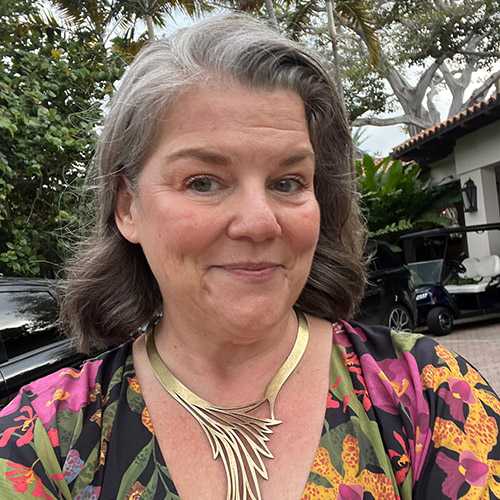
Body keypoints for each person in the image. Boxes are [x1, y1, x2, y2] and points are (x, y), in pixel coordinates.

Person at [0, 14, 499, 500]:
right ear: (127, 207)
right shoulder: (44, 441)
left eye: (288, 182)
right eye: (203, 182)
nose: (260, 223)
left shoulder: (431, 396)